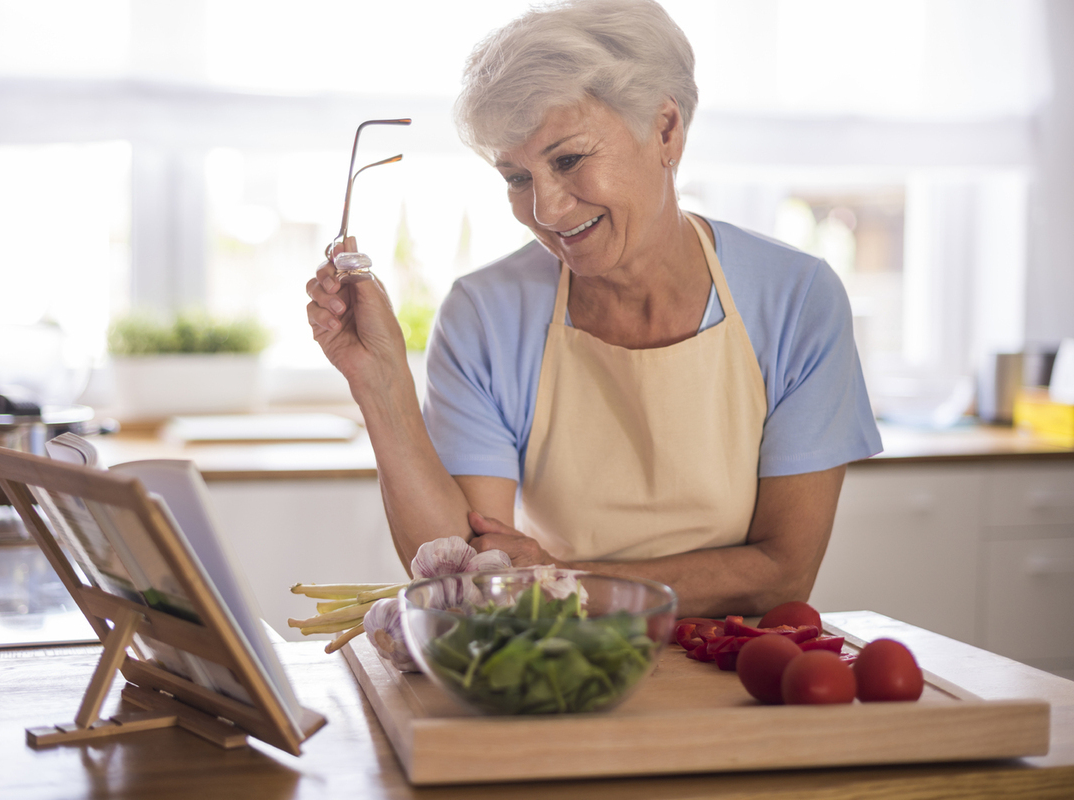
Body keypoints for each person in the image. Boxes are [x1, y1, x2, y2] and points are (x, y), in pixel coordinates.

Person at [305, 0, 882, 618]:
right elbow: (468, 573)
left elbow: (781, 574)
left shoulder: (796, 300)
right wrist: (380, 382)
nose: (547, 211)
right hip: (559, 664)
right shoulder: (487, 314)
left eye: (569, 159)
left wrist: (563, 580)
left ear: (666, 130)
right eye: (516, 178)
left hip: (734, 670)